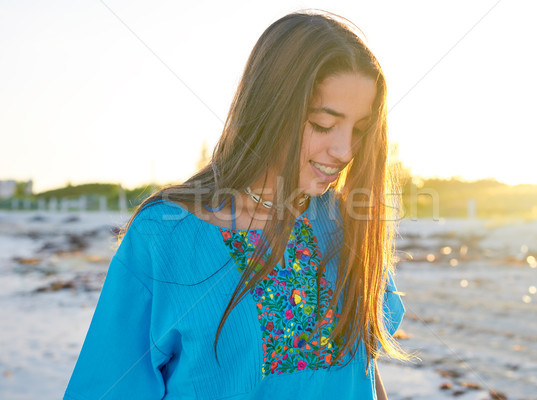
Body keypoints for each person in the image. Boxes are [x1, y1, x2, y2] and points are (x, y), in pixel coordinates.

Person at [64, 10, 409, 400]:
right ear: (270, 108)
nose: (345, 150)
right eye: (323, 125)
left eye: (360, 130)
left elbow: (363, 370)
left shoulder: (346, 222)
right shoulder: (166, 235)